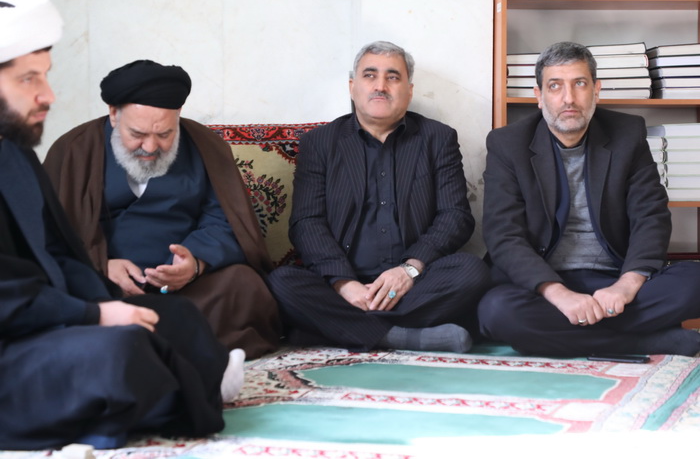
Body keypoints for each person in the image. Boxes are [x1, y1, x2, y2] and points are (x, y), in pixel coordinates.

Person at [0, 0, 246, 450]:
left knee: (172, 316)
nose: (48, 95)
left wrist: (103, 300)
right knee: (123, 346)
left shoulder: (13, 152)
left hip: (53, 312)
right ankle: (186, 389)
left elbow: (56, 252)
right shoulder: (76, 149)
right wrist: (96, 312)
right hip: (14, 336)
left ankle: (180, 387)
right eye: (29, 79)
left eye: (45, 76)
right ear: (114, 116)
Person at [44, 59, 281, 358]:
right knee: (62, 300)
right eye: (138, 134)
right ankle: (173, 348)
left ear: (178, 114)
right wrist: (101, 265)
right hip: (104, 287)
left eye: (165, 134)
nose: (151, 147)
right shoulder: (73, 150)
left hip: (185, 290)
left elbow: (226, 220)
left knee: (244, 285)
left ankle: (141, 345)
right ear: (114, 114)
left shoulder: (204, 146)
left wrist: (194, 264)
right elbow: (46, 234)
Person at [265, 41, 490, 353]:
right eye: (370, 75)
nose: (380, 86)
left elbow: (455, 216)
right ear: (352, 87)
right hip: (342, 283)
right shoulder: (320, 143)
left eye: (393, 77)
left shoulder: (437, 138)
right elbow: (307, 222)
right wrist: (344, 284)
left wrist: (408, 270)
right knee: (282, 282)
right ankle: (398, 336)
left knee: (472, 271)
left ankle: (335, 329)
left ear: (409, 90)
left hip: (414, 282)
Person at [478, 41, 700, 358]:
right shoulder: (507, 144)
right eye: (555, 86)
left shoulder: (627, 133)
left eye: (579, 84)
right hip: (545, 282)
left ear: (596, 90)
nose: (568, 98)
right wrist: (559, 294)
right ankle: (644, 343)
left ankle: (568, 336)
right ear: (539, 96)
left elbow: (651, 216)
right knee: (496, 312)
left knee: (694, 280)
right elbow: (503, 234)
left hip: (613, 277)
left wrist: (626, 285)